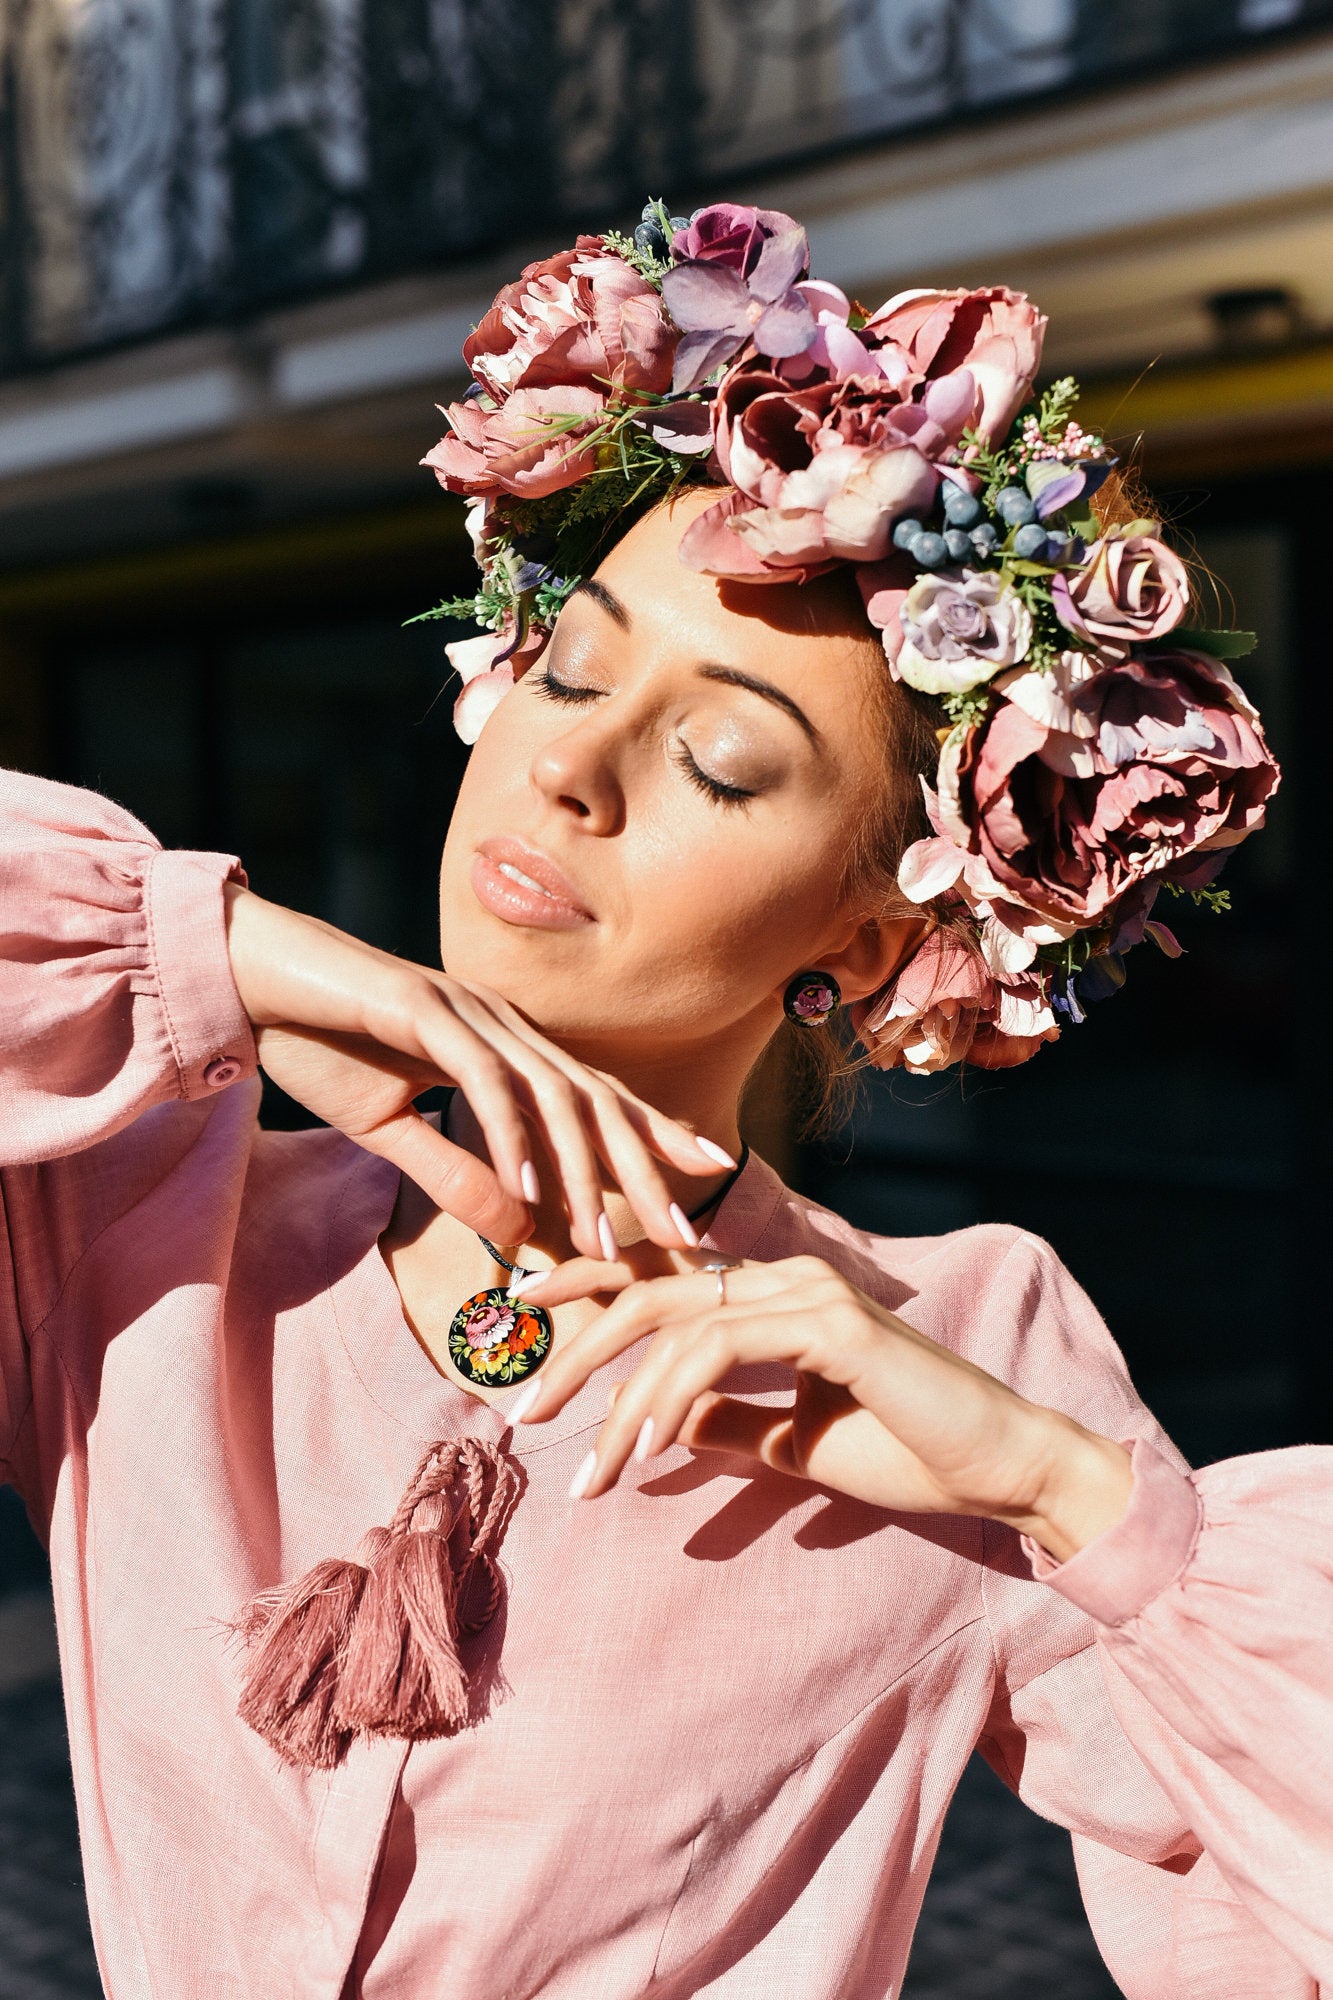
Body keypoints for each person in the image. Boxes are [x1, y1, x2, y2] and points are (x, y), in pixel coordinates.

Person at [1, 199, 1328, 2000]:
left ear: (865, 942)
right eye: (568, 666)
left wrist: (1066, 1494)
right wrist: (210, 947)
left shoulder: (960, 1349)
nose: (571, 765)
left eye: (718, 758)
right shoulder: (148, 1219)